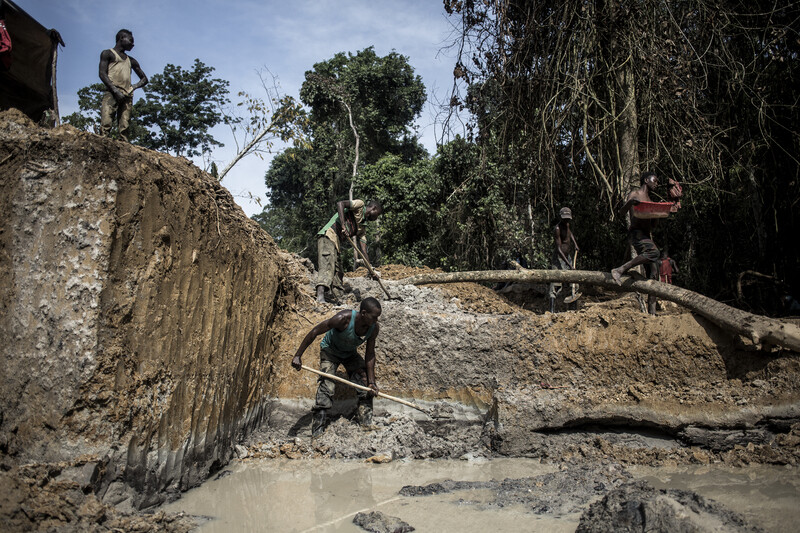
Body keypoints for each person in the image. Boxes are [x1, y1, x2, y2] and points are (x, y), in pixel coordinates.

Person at [291, 297, 382, 437]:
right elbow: (315, 331)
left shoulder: (373, 328)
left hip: (349, 353)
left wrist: (371, 382)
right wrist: (298, 355)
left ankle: (366, 424)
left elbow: (370, 354)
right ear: (363, 313)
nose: (376, 321)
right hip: (330, 352)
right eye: (374, 317)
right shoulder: (343, 319)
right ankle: (318, 430)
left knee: (365, 385)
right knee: (327, 386)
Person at [611, 172, 663, 314]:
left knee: (654, 273)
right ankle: (620, 270)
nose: (656, 184)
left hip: (646, 235)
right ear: (646, 180)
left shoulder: (650, 200)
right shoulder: (635, 194)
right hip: (637, 234)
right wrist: (630, 203)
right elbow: (621, 212)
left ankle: (651, 313)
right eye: (655, 180)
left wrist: (658, 214)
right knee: (654, 252)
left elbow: (652, 226)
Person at [315, 199, 383, 303]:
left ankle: (336, 298)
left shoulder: (362, 228)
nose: (376, 218)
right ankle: (320, 297)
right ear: (374, 209)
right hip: (328, 235)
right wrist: (343, 224)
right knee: (327, 264)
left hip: (336, 243)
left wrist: (371, 271)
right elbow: (340, 204)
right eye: (377, 215)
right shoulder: (360, 205)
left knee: (339, 273)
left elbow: (364, 251)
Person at [99, 29, 147, 141]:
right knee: (106, 121)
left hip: (126, 95)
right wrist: (115, 90)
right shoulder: (108, 54)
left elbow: (144, 79)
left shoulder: (131, 61)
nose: (133, 44)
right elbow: (102, 73)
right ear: (121, 38)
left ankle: (124, 147)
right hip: (112, 92)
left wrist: (132, 87)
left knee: (125, 126)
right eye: (130, 41)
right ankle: (103, 143)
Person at [548, 207, 579, 313]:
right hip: (559, 258)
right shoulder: (557, 229)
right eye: (564, 219)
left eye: (568, 219)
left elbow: (570, 234)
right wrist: (569, 266)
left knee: (574, 281)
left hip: (568, 257)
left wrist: (575, 244)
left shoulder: (567, 225)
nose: (566, 221)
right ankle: (552, 311)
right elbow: (559, 250)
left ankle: (573, 308)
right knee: (555, 282)